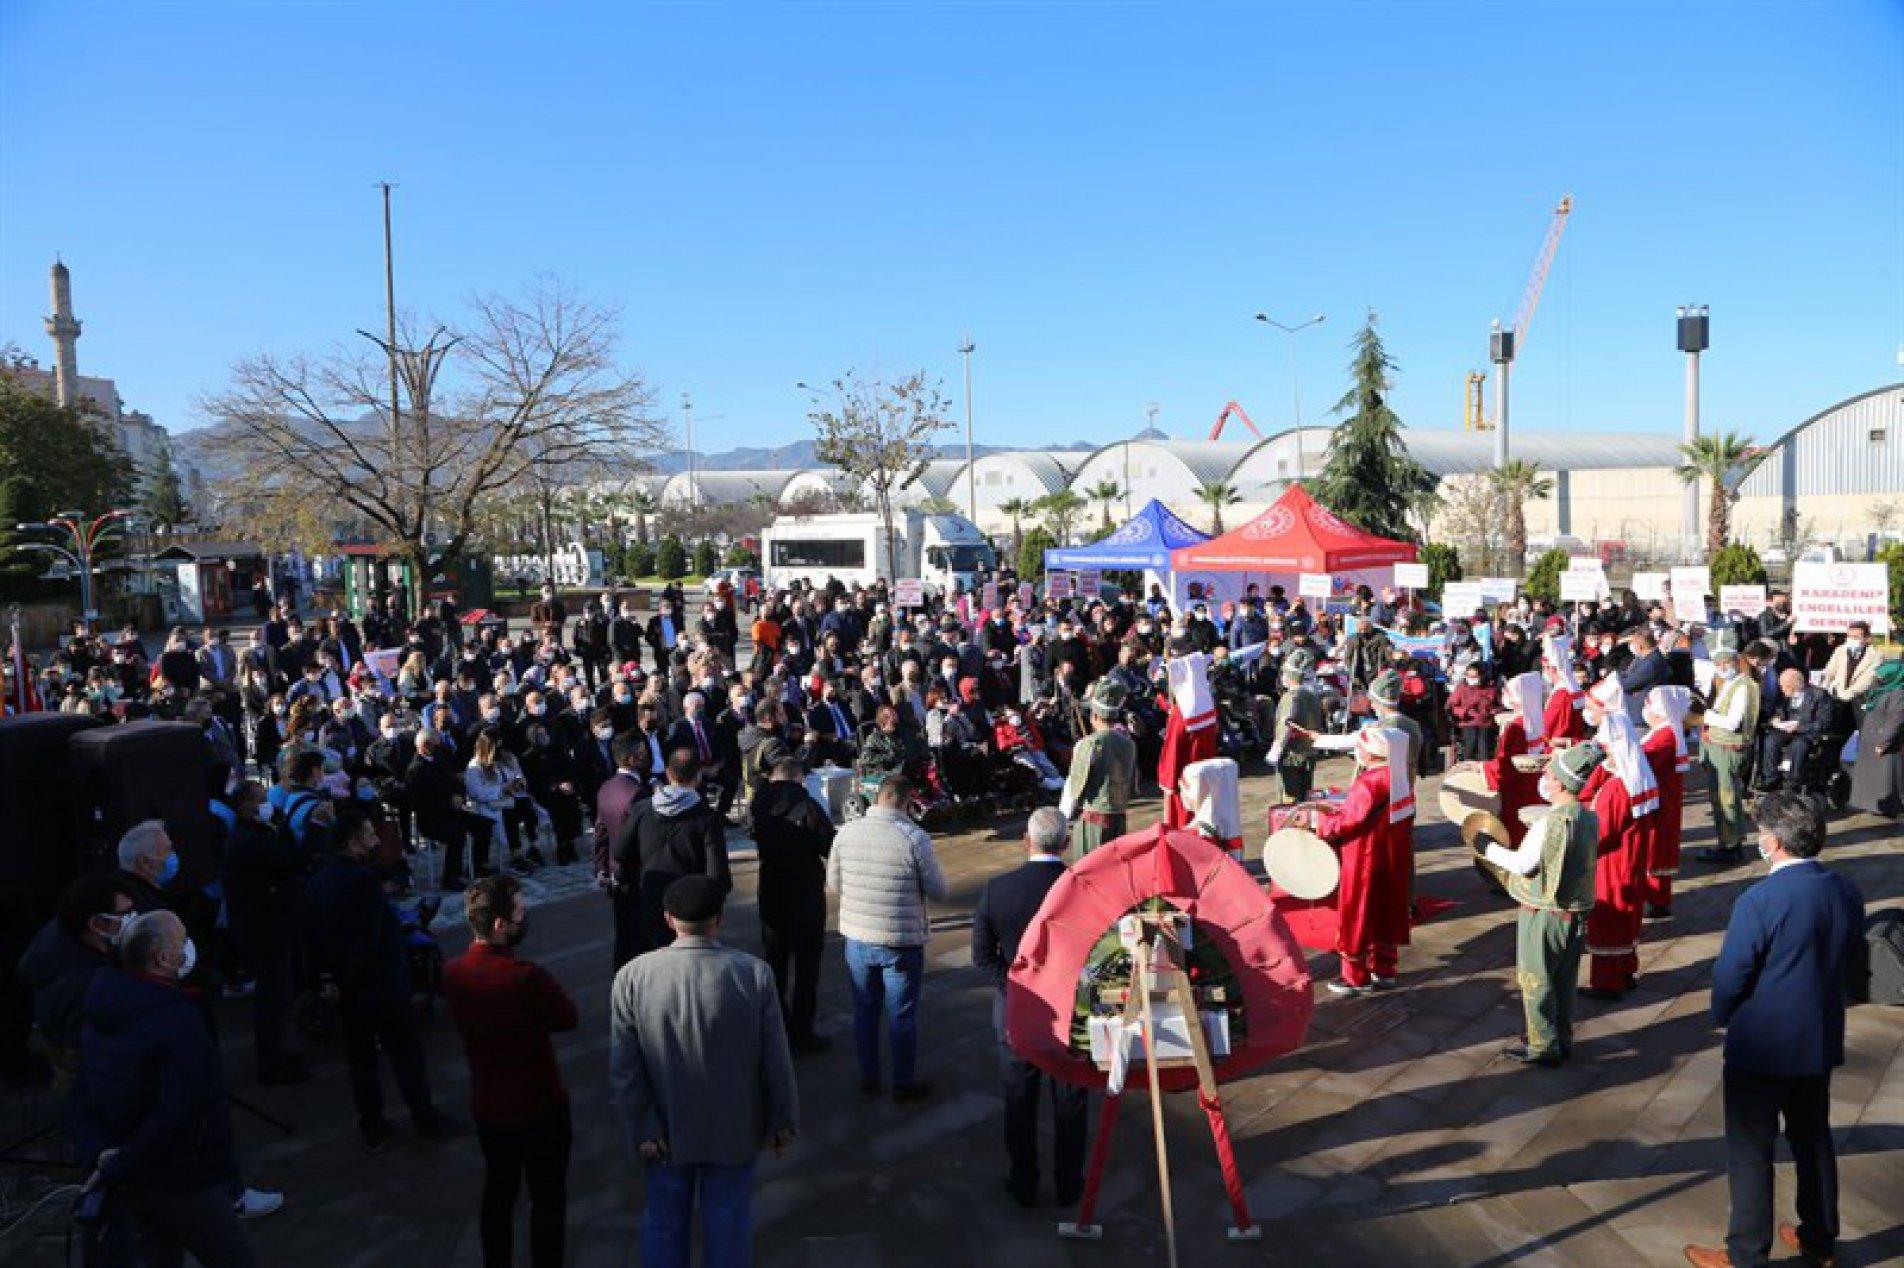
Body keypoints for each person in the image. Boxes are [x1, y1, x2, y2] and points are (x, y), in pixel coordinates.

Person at [1683, 793, 1864, 1268]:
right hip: (1818, 1037)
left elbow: (1732, 973)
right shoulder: (1845, 889)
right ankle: (1820, 1240)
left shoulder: (1759, 900)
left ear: (1776, 843)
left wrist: (1724, 1014)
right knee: (1813, 1140)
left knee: (1750, 1151)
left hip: (1762, 1046)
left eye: (1762, 832)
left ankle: (1746, 1253)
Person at [609, 876, 798, 1268]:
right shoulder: (754, 974)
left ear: (668, 919)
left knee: (664, 1224)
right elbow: (776, 1058)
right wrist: (783, 1119)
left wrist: (643, 1126)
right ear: (719, 919)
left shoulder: (632, 976)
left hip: (666, 1132)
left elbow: (625, 1066)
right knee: (729, 1225)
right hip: (734, 1131)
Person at [73, 911, 262, 1267]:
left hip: (130, 1169)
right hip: (180, 1174)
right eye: (181, 939)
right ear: (163, 958)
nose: (188, 946)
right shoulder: (177, 1019)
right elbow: (181, 1109)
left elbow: (85, 1091)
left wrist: (108, 1157)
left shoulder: (103, 1005)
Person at [303, 803, 459, 1151]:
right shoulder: (361, 881)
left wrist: (326, 979)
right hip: (378, 983)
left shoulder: (318, 881)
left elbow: (311, 938)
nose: (375, 838)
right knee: (405, 1053)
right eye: (369, 833)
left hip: (347, 986)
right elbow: (372, 935)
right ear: (353, 841)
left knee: (361, 1059)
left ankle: (373, 1124)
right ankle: (423, 1116)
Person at [441, 875, 578, 1268]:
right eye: (519, 912)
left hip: (489, 1103)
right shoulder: (525, 976)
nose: (523, 918)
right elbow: (567, 1016)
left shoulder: (453, 972)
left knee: (499, 1192)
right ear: (500, 924)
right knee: (547, 1198)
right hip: (538, 1102)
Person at [971, 807, 1088, 1208]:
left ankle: (1023, 1181)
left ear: (1026, 840)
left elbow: (982, 956)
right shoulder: (1081, 889)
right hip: (1071, 1009)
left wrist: (1017, 986)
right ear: (1066, 843)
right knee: (1070, 1098)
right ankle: (1069, 1184)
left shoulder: (997, 889)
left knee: (1019, 1098)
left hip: (1017, 1009)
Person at [1481, 742, 1604, 1067]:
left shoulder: (1550, 822)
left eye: (1548, 776)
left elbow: (1523, 864)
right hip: (1574, 911)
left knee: (1536, 979)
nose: (1544, 781)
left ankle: (1542, 1045)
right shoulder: (1588, 816)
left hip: (1544, 913)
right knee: (1564, 979)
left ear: (1560, 783)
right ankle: (1562, 1036)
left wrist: (1487, 847)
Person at [827, 775, 948, 1100]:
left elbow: (834, 884)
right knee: (901, 1015)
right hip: (900, 940)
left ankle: (869, 1076)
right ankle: (902, 1082)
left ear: (877, 797)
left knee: (864, 1011)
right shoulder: (914, 838)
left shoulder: (846, 833)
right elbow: (938, 890)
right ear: (907, 802)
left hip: (857, 937)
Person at [1300, 727, 1414, 996]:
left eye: (1361, 746)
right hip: (1391, 855)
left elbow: (1349, 822)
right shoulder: (1400, 777)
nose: (1358, 750)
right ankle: (1385, 968)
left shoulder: (1369, 781)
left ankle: (1355, 977)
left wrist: (1318, 821)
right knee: (1385, 911)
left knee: (1357, 912)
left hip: (1364, 856)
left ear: (1372, 752)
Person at [221, 780, 312, 1085]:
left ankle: (280, 1051)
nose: (266, 804)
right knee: (273, 996)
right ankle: (272, 1061)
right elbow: (288, 862)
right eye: (260, 799)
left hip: (269, 924)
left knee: (278, 993)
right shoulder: (250, 840)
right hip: (266, 927)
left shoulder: (254, 833)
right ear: (245, 806)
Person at [1578, 678, 1659, 999]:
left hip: (1612, 863)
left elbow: (1601, 831)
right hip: (1631, 859)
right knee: (1627, 916)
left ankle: (1607, 982)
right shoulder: (1634, 776)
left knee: (1608, 918)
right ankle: (1626, 971)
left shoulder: (1615, 789)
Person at [748, 757, 835, 1054]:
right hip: (805, 890)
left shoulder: (759, 804)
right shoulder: (807, 806)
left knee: (775, 961)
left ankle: (777, 1024)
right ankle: (802, 1030)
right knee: (807, 965)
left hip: (771, 887)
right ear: (798, 777)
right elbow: (828, 845)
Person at [614, 749, 732, 953]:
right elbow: (718, 874)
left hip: (651, 896)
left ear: (668, 773)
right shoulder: (706, 817)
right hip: (691, 905)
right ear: (698, 775)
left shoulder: (642, 809)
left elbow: (621, 851)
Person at [15, 873, 134, 1072]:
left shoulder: (62, 932)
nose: (132, 919)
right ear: (97, 923)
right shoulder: (85, 983)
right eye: (125, 914)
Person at [1058, 680, 1137, 857]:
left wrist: (1063, 819)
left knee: (1089, 868)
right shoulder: (1129, 744)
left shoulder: (1088, 744)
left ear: (1094, 716)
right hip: (1119, 818)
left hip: (1094, 822)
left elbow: (1074, 787)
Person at [1698, 647, 1761, 866]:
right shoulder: (1729, 684)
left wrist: (1704, 716)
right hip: (1718, 747)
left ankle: (1732, 846)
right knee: (1719, 798)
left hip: (1728, 748)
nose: (1722, 668)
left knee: (1727, 799)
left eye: (1726, 663)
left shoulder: (1744, 686)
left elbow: (1733, 722)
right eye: (1718, 664)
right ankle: (1727, 841)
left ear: (1736, 662)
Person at [1755, 668, 1833, 793]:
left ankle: (1792, 782)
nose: (1782, 689)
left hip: (1807, 733)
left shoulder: (1820, 695)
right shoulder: (1784, 696)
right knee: (1771, 740)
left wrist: (1799, 727)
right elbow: (1778, 711)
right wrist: (1776, 719)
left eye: (1785, 686)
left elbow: (1824, 723)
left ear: (1796, 685)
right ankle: (1770, 779)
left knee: (1798, 746)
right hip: (1786, 730)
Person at [1847, 658, 1904, 817]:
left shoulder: (1899, 694)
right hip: (1870, 739)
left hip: (1884, 743)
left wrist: (1884, 742)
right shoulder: (1881, 689)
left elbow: (1896, 721)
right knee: (1870, 776)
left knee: (1885, 779)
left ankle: (1888, 808)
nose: (1878, 678)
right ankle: (1871, 804)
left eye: (1882, 676)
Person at [1267, 649, 1323, 800]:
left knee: (1289, 799)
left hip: (1292, 756)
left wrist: (1275, 751)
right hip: (1309, 753)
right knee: (1305, 796)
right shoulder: (1312, 695)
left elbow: (1285, 725)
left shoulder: (1291, 697)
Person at [1819, 621, 1879, 709]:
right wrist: (1824, 690)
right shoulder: (1840, 650)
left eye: (1856, 637)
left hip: (1860, 700)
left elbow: (1867, 680)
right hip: (1836, 696)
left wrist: (1846, 695)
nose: (1851, 640)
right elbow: (1829, 671)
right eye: (1849, 636)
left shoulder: (1876, 656)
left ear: (1867, 638)